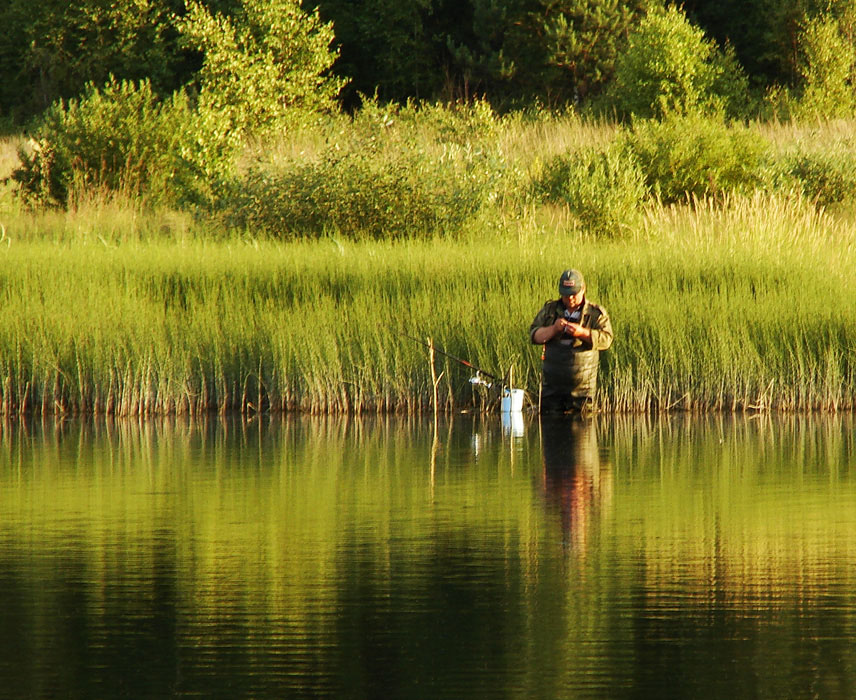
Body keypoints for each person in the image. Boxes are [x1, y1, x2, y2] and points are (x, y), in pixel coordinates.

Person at [529, 269, 613, 413]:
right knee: (551, 429)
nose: (570, 299)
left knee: (583, 429)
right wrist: (554, 329)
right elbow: (534, 335)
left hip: (583, 392)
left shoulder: (595, 313)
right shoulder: (550, 310)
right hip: (552, 391)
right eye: (566, 295)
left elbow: (606, 340)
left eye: (574, 294)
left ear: (583, 289)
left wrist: (582, 333)